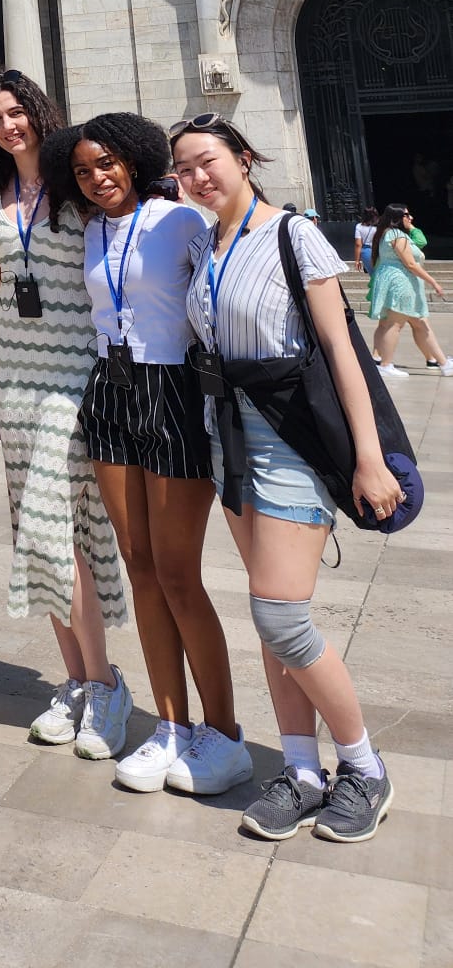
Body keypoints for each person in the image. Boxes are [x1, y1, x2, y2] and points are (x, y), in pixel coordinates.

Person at [171, 112, 402, 843]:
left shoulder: (291, 233)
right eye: (184, 168)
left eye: (208, 161)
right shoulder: (207, 244)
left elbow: (342, 351)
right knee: (273, 622)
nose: (198, 176)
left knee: (280, 615)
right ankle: (302, 770)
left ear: (243, 157)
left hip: (292, 442)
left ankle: (363, 767)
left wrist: (368, 456)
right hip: (229, 440)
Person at [42, 114, 251, 797]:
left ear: (132, 159)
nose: (97, 177)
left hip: (172, 389)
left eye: (106, 163)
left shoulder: (179, 221)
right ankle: (168, 725)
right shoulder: (90, 230)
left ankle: (222, 732)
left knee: (178, 572)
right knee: (138, 567)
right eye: (82, 170)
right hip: (111, 389)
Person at [0, 71, 131, 759]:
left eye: (19, 112)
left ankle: (104, 686)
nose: (11, 126)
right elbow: (3, 285)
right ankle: (76, 680)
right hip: (16, 376)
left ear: (40, 114)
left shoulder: (76, 186)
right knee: (43, 536)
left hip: (75, 376)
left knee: (60, 528)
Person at [369, 203, 451, 377]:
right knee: (395, 324)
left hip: (403, 283)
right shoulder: (397, 235)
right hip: (402, 283)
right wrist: (433, 282)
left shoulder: (388, 234)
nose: (410, 217)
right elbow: (410, 264)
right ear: (398, 218)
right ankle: (385, 364)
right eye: (407, 215)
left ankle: (443, 363)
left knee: (421, 325)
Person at [353, 207, 378, 276]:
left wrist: (357, 260)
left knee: (373, 275)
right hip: (379, 250)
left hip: (367, 251)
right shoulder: (378, 226)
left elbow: (358, 244)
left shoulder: (359, 226)